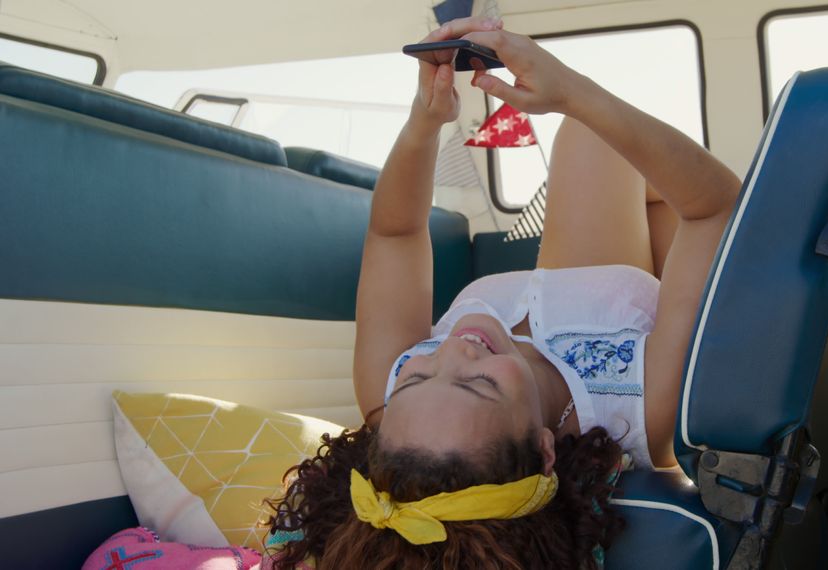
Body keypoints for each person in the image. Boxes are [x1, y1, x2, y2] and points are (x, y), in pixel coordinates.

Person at [263, 16, 742, 570]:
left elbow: (394, 234)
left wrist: (426, 121)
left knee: (592, 141)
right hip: (636, 315)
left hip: (582, 275)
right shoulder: (641, 407)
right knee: (598, 132)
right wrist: (570, 92)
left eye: (418, 372)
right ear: (544, 450)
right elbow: (717, 210)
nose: (454, 350)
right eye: (479, 383)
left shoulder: (390, 397)